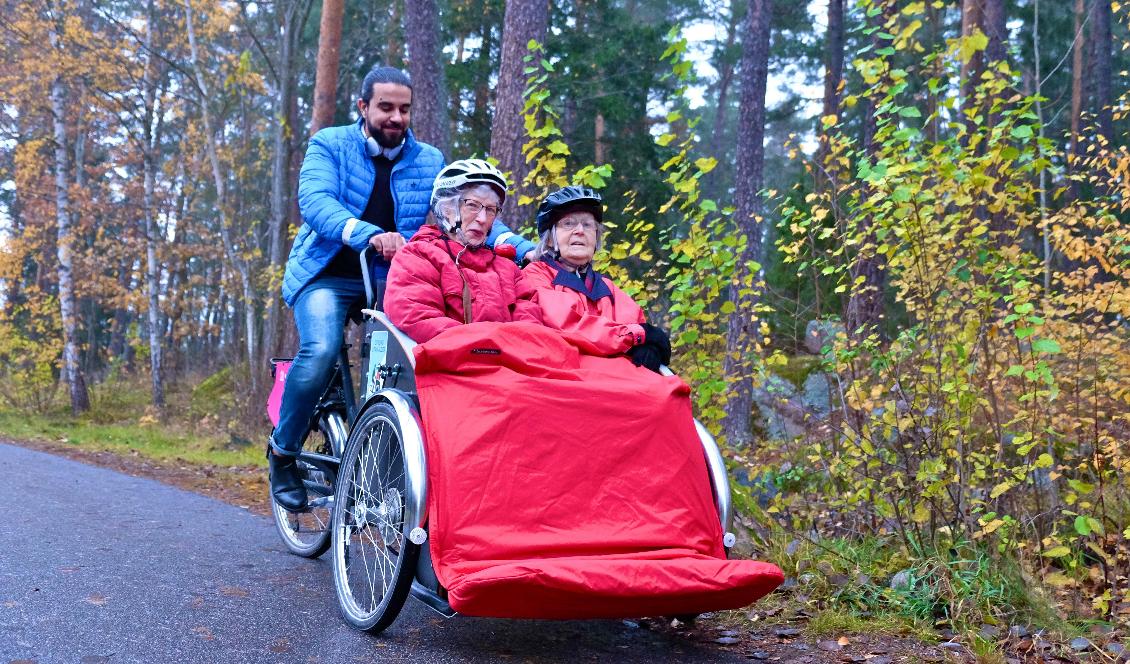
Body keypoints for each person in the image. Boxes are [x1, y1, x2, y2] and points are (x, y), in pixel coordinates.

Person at [269, 66, 533, 512]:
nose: (396, 117)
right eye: (386, 107)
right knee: (320, 349)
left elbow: (466, 210)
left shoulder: (427, 160)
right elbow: (316, 202)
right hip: (327, 273)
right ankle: (284, 453)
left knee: (414, 355)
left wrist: (523, 248)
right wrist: (367, 233)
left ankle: (396, 457)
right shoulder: (330, 145)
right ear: (364, 108)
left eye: (404, 109)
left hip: (396, 276)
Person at [383, 160, 541, 342]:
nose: (482, 218)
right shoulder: (418, 256)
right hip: (450, 364)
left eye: (491, 210)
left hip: (510, 363)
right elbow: (420, 318)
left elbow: (531, 325)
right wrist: (492, 344)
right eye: (472, 205)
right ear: (446, 208)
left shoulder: (507, 268)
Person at [523, 186, 671, 372]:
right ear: (550, 239)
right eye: (568, 223)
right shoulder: (536, 275)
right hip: (562, 373)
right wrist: (638, 336)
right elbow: (568, 324)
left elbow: (634, 323)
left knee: (672, 394)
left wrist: (650, 346)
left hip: (611, 377)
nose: (580, 231)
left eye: (587, 225)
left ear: (596, 237)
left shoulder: (607, 287)